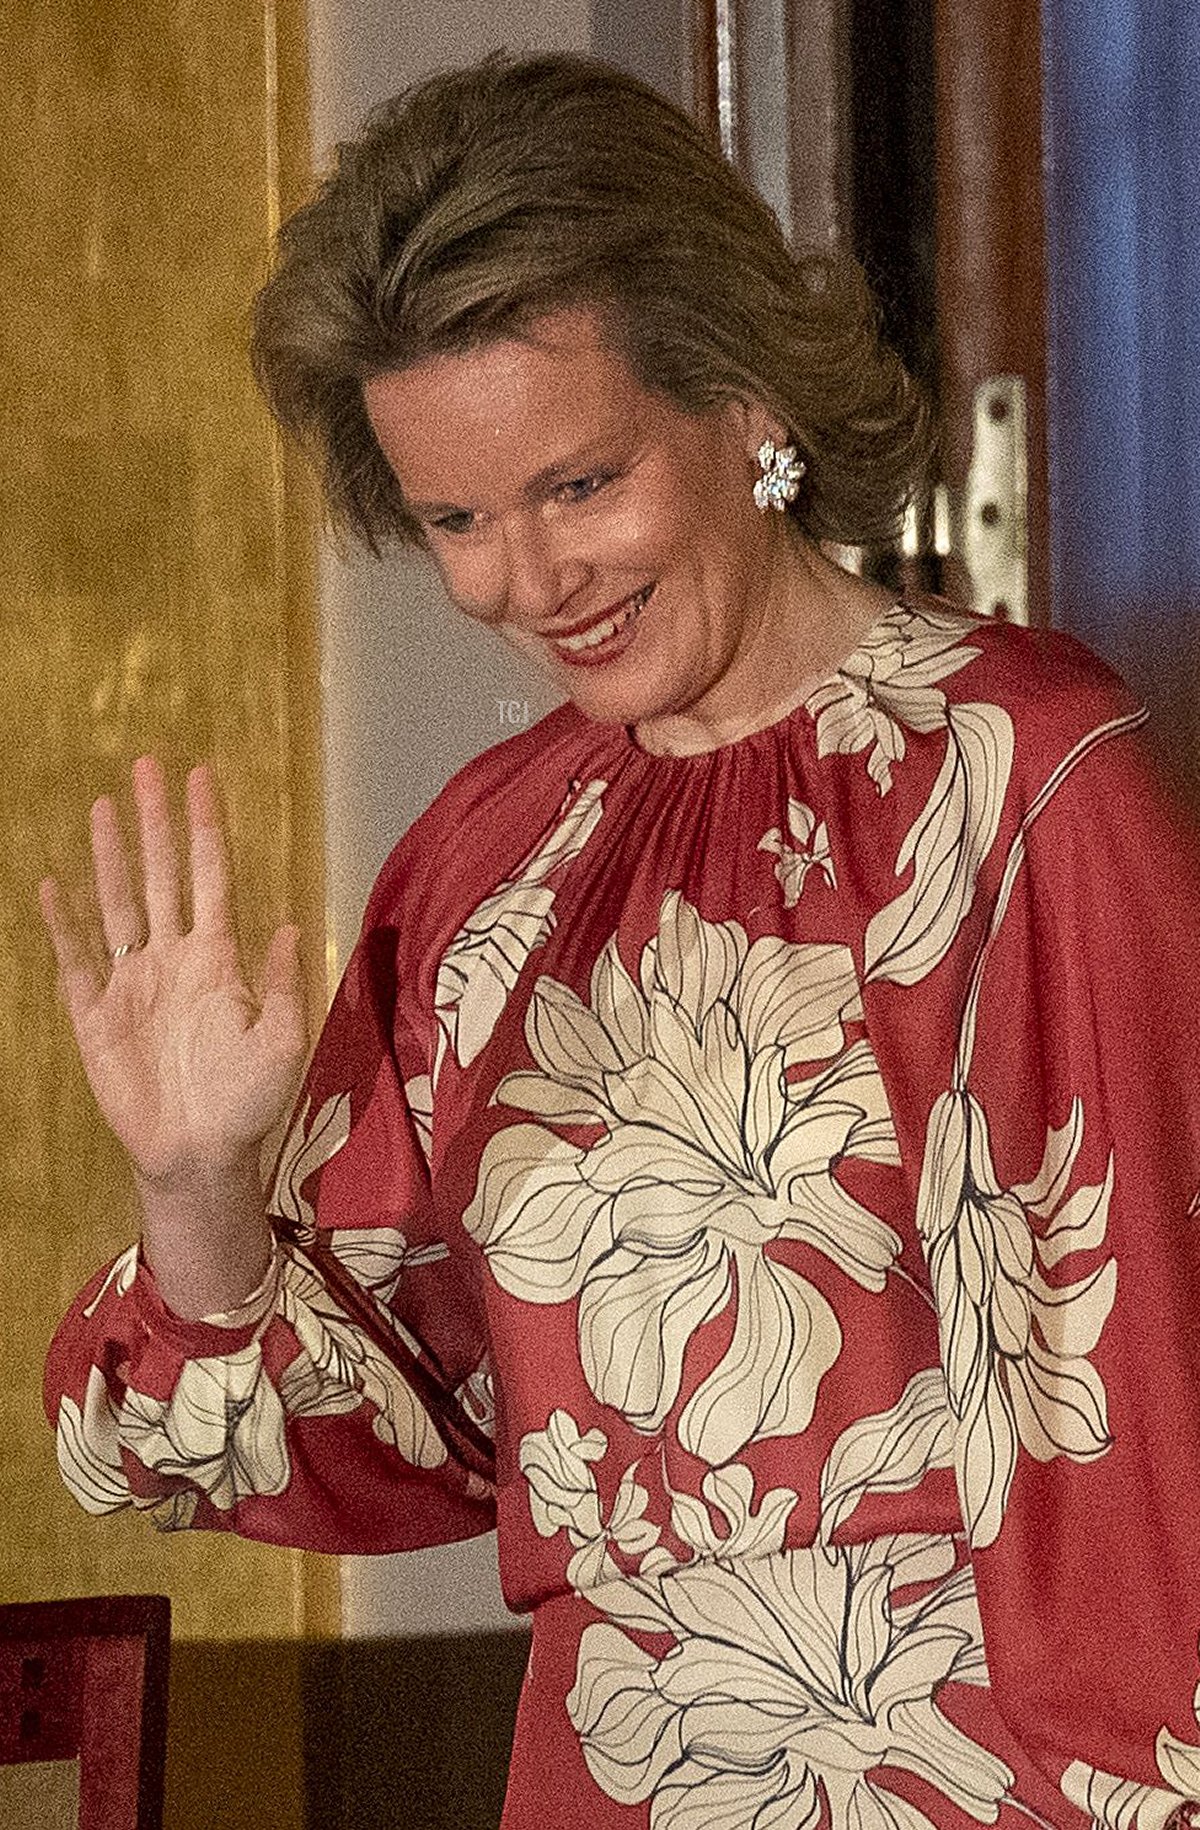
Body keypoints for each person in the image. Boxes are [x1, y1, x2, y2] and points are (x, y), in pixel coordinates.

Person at [40, 50, 1200, 1830]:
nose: (523, 580)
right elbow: (411, 1435)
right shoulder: (486, 862)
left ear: (744, 406)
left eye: (578, 484)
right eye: (453, 518)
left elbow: (1146, 1438)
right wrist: (199, 1190)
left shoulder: (1029, 783)